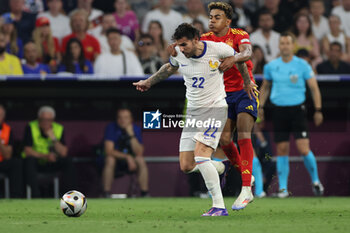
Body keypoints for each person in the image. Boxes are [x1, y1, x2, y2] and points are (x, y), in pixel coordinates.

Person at [134, 23, 237, 216]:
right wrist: (149, 82)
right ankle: (219, 166)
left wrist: (235, 64)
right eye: (178, 45)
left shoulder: (217, 48)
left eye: (184, 45)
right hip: (193, 114)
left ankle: (219, 207)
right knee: (187, 165)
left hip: (215, 108)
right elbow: (169, 68)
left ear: (196, 40)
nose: (181, 49)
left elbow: (239, 55)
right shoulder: (179, 54)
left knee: (200, 156)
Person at [199, 2, 258, 210]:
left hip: (245, 90)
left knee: (243, 135)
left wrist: (234, 58)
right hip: (222, 95)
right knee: (224, 140)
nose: (212, 20)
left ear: (227, 21)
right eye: (211, 16)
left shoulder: (238, 34)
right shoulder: (205, 39)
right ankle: (247, 176)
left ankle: (245, 190)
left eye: (217, 17)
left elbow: (247, 52)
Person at [259, 32, 324, 198]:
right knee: (281, 150)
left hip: (297, 111)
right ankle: (283, 189)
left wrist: (318, 110)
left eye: (288, 43)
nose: (285, 46)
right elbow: (265, 88)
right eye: (282, 43)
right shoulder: (271, 66)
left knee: (303, 148)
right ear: (279, 46)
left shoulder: (303, 65)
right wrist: (260, 107)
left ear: (292, 46)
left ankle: (316, 182)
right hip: (279, 111)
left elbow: (314, 88)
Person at [23, 106, 75, 197]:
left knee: (68, 161)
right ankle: (36, 196)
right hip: (37, 162)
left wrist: (53, 138)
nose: (46, 123)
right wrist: (45, 156)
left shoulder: (58, 128)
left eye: (49, 120)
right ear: (39, 119)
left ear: (53, 120)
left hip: (52, 162)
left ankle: (69, 197)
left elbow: (63, 153)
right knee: (29, 161)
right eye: (43, 120)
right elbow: (27, 151)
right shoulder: (31, 127)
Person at [102, 108, 149, 197]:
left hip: (131, 163)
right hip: (116, 161)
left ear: (131, 119)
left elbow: (139, 152)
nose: (123, 120)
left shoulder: (135, 129)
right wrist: (127, 157)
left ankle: (144, 193)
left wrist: (131, 134)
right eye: (120, 117)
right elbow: (109, 151)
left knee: (140, 160)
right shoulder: (111, 128)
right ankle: (106, 193)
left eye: (126, 118)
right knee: (110, 159)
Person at [0, 104, 23, 198]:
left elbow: (8, 155)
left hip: (1, 162)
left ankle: (16, 198)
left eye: (0, 115)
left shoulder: (7, 129)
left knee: (16, 163)